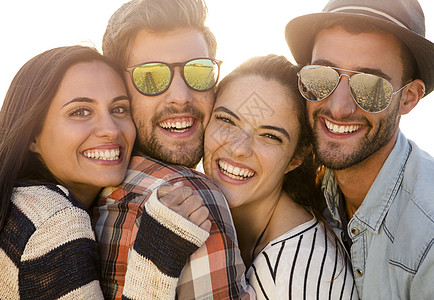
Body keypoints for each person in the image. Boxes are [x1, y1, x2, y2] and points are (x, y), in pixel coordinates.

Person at [92, 0, 252, 299]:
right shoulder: (190, 196)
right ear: (118, 87)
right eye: (149, 77)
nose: (180, 96)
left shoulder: (91, 189)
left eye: (199, 72)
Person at [285, 0, 434, 298]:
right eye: (322, 76)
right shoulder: (302, 181)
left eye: (370, 87)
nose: (338, 108)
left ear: (409, 98)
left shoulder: (427, 241)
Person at [203, 54, 358, 299]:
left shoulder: (300, 271)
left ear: (297, 157)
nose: (238, 148)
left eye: (270, 136)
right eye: (227, 120)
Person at [0, 45, 137, 298]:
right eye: (80, 112)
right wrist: (159, 251)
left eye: (119, 109)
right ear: (33, 135)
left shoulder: (19, 204)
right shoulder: (56, 220)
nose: (111, 129)